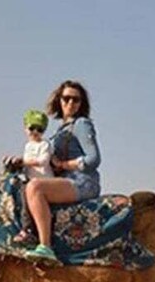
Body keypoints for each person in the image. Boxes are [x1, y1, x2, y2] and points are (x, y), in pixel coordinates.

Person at [23, 79, 102, 263]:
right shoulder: (59, 131)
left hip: (82, 181)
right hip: (65, 180)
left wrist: (65, 165)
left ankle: (45, 246)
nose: (71, 103)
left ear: (81, 104)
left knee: (35, 189)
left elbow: (93, 159)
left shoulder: (82, 124)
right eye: (66, 98)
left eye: (76, 100)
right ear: (59, 100)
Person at [13, 109, 53, 244]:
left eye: (39, 129)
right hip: (30, 179)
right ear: (25, 128)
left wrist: (24, 161)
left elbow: (43, 161)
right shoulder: (28, 146)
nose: (35, 132)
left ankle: (28, 230)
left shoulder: (44, 145)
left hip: (43, 182)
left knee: (26, 197)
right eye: (32, 128)